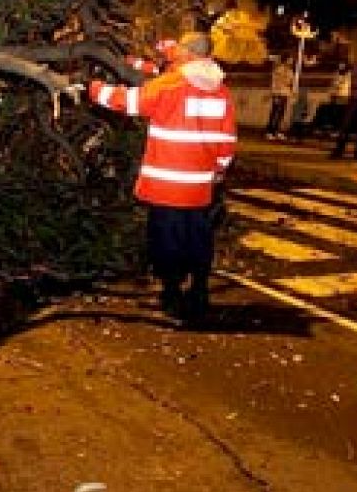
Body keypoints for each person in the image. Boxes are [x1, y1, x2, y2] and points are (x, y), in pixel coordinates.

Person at [71, 31, 237, 325]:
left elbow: (129, 101)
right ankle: (199, 291)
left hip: (167, 185)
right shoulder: (221, 90)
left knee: (167, 241)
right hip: (199, 187)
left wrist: (92, 88)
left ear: (188, 54)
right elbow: (226, 141)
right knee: (198, 238)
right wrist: (217, 172)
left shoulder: (171, 85)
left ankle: (171, 294)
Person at [263, 55, 295, 140]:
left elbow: (290, 83)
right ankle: (269, 131)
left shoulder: (291, 71)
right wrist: (274, 94)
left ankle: (277, 131)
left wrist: (291, 93)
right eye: (290, 60)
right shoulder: (279, 70)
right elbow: (275, 82)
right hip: (278, 93)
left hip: (285, 93)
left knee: (281, 114)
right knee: (274, 113)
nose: (291, 62)